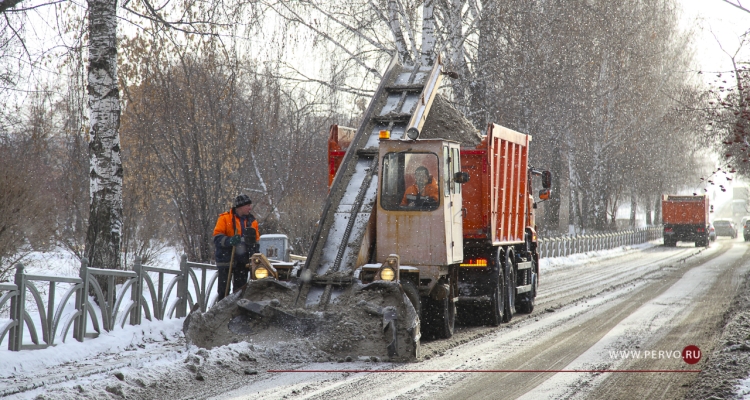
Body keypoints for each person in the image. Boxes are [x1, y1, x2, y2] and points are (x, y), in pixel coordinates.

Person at [213, 194, 260, 301]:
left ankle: (235, 313)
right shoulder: (225, 218)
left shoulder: (253, 222)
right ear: (240, 207)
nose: (250, 208)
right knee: (223, 292)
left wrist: (254, 257)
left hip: (243, 262)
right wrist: (230, 241)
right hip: (226, 261)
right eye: (248, 205)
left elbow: (256, 243)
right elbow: (217, 239)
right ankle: (221, 312)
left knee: (240, 292)